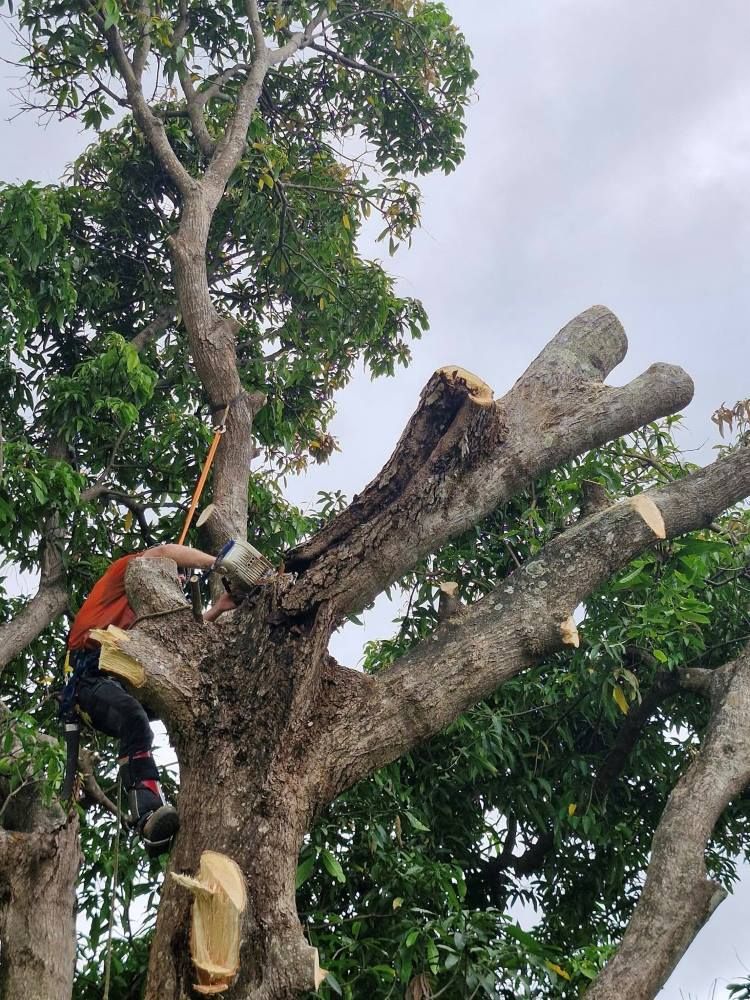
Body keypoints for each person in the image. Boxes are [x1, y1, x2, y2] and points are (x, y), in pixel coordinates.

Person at [64, 544, 237, 857]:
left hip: (122, 680)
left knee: (189, 700)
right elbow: (165, 550)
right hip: (89, 678)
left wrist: (219, 609)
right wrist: (220, 563)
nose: (179, 583)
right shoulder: (126, 571)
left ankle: (159, 818)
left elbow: (181, 641)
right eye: (178, 574)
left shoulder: (147, 617)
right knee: (133, 719)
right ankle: (146, 816)